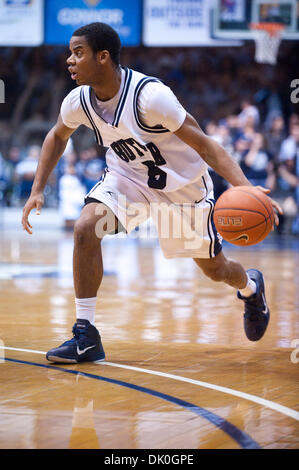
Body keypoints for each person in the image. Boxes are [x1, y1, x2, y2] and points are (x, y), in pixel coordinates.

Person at [21, 23, 282, 364]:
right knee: (86, 229)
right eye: (70, 53)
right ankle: (85, 335)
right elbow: (57, 136)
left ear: (103, 57)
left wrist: (247, 189)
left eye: (78, 52)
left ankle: (250, 286)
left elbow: (207, 146)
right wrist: (37, 189)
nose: (69, 60)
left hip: (183, 188)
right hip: (128, 180)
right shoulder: (79, 101)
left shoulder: (150, 97)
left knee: (216, 270)